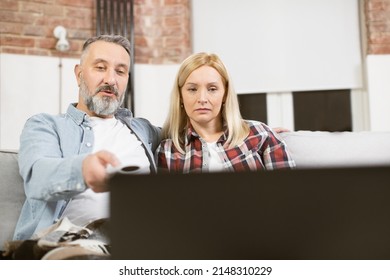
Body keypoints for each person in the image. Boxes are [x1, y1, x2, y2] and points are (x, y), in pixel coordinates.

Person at [13, 35, 161, 248]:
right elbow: (37, 177)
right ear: (79, 74)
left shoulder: (144, 130)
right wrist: (82, 170)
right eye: (100, 68)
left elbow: (188, 134)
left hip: (140, 247)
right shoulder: (45, 125)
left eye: (120, 71)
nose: (111, 79)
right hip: (67, 246)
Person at [155, 52, 295, 173]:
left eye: (212, 89)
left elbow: (290, 194)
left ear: (225, 94)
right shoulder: (167, 151)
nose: (202, 99)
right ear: (180, 96)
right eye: (192, 89)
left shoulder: (261, 134)